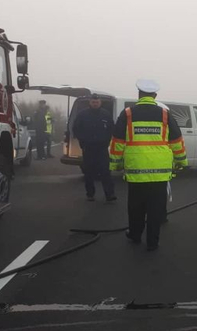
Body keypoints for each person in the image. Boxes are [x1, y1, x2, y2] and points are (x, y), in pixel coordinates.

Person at [110, 79, 188, 251]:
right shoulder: (165, 114)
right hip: (160, 172)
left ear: (139, 94)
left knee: (135, 206)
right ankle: (153, 242)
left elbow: (117, 142)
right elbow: (176, 140)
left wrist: (115, 164)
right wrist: (181, 161)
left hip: (136, 170)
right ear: (155, 96)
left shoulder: (128, 114)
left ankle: (135, 235)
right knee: (155, 209)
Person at [73, 94, 116, 202]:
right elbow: (76, 129)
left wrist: (107, 141)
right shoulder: (83, 115)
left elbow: (111, 129)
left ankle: (109, 195)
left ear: (100, 103)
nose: (95, 104)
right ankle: (90, 194)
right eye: (93, 102)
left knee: (106, 172)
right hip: (88, 148)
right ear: (90, 103)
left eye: (97, 102)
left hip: (102, 149)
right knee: (88, 173)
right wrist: (83, 141)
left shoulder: (106, 115)